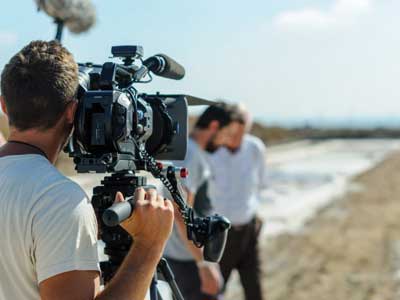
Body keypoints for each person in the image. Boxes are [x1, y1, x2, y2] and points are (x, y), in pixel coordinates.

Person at [0, 40, 174, 300]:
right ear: (72, 111)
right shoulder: (57, 199)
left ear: (4, 105)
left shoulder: (54, 201)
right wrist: (149, 245)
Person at [163, 103, 243, 300]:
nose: (226, 141)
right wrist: (204, 265)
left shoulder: (189, 152)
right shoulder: (190, 155)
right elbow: (180, 211)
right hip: (188, 261)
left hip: (186, 256)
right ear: (214, 126)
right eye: (227, 133)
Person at [207, 104, 267, 300]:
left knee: (255, 289)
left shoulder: (255, 148)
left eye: (242, 133)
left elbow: (260, 184)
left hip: (250, 231)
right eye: (234, 133)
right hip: (221, 234)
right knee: (215, 291)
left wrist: (256, 214)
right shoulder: (211, 153)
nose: (237, 138)